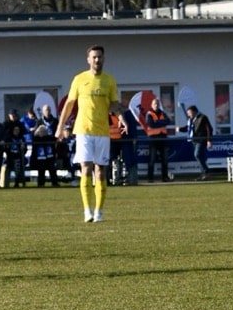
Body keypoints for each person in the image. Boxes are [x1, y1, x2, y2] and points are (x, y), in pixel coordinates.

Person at [56, 46, 125, 222]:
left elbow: (114, 104)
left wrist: (121, 118)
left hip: (102, 131)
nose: (97, 60)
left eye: (99, 57)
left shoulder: (109, 80)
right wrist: (60, 126)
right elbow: (70, 104)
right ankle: (87, 210)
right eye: (94, 57)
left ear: (104, 59)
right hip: (83, 130)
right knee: (85, 168)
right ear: (88, 60)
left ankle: (99, 212)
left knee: (100, 171)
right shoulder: (79, 79)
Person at [142, 96, 172, 181]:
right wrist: (161, 123)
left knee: (165, 159)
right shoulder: (149, 114)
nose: (156, 105)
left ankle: (165, 177)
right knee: (152, 159)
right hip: (153, 139)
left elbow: (168, 121)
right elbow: (151, 124)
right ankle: (150, 178)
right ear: (151, 105)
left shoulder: (163, 113)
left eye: (158, 104)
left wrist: (158, 122)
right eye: (155, 104)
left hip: (163, 138)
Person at [183, 105, 213, 180]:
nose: (188, 114)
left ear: (194, 111)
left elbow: (209, 129)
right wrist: (179, 129)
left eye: (189, 113)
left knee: (197, 154)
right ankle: (204, 174)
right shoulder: (190, 119)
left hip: (201, 140)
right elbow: (187, 128)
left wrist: (209, 140)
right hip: (194, 140)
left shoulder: (203, 117)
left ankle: (206, 172)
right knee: (201, 157)